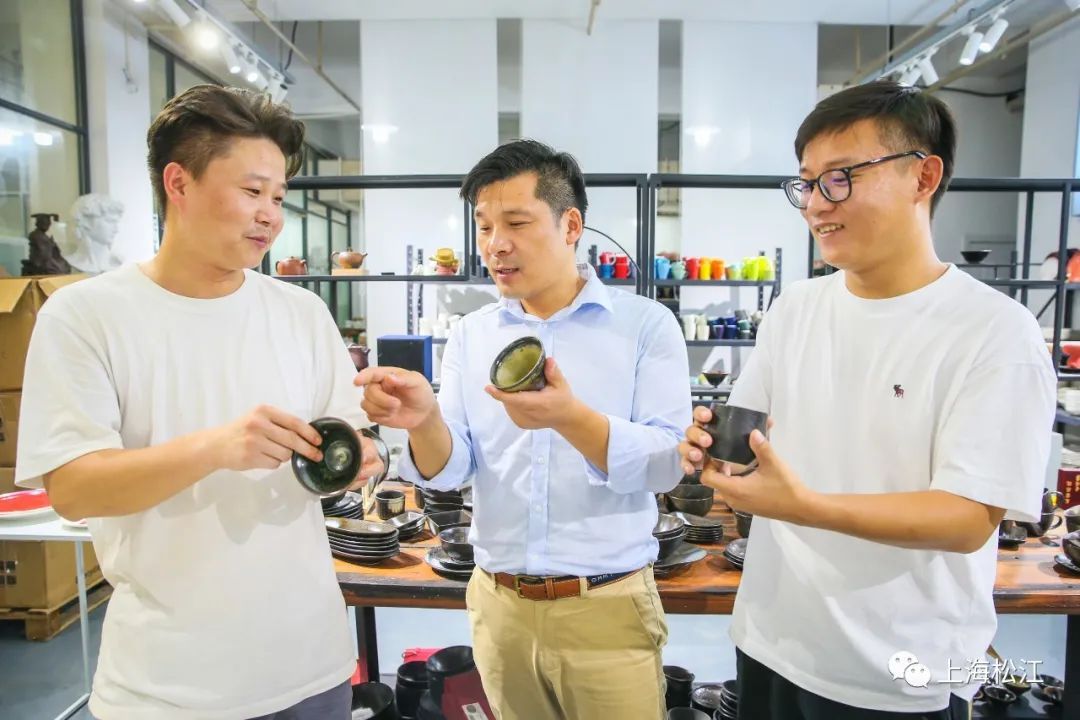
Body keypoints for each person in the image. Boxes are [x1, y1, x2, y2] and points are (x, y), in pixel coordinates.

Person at [678, 80, 1057, 719]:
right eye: (807, 184)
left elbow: (967, 518)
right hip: (771, 641)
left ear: (923, 176)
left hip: (898, 673)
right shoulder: (796, 308)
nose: (815, 205)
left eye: (840, 178)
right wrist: (712, 450)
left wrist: (805, 507)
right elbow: (748, 443)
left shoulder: (995, 331)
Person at [15, 84, 384, 719]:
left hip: (312, 670)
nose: (269, 215)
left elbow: (350, 442)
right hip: (168, 690)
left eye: (277, 197)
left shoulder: (301, 313)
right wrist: (214, 448)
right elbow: (73, 488)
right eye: (252, 191)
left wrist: (364, 455)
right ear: (178, 183)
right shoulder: (85, 315)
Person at [358, 139, 690, 719]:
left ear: (570, 226)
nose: (495, 244)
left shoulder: (645, 325)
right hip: (500, 606)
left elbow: (667, 464)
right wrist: (425, 421)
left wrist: (571, 418)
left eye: (516, 223)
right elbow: (453, 469)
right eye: (484, 226)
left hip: (606, 607)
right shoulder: (472, 333)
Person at [62, 193, 125, 274]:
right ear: (86, 222)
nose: (116, 229)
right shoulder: (68, 263)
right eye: (110, 221)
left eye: (116, 222)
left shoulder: (119, 263)